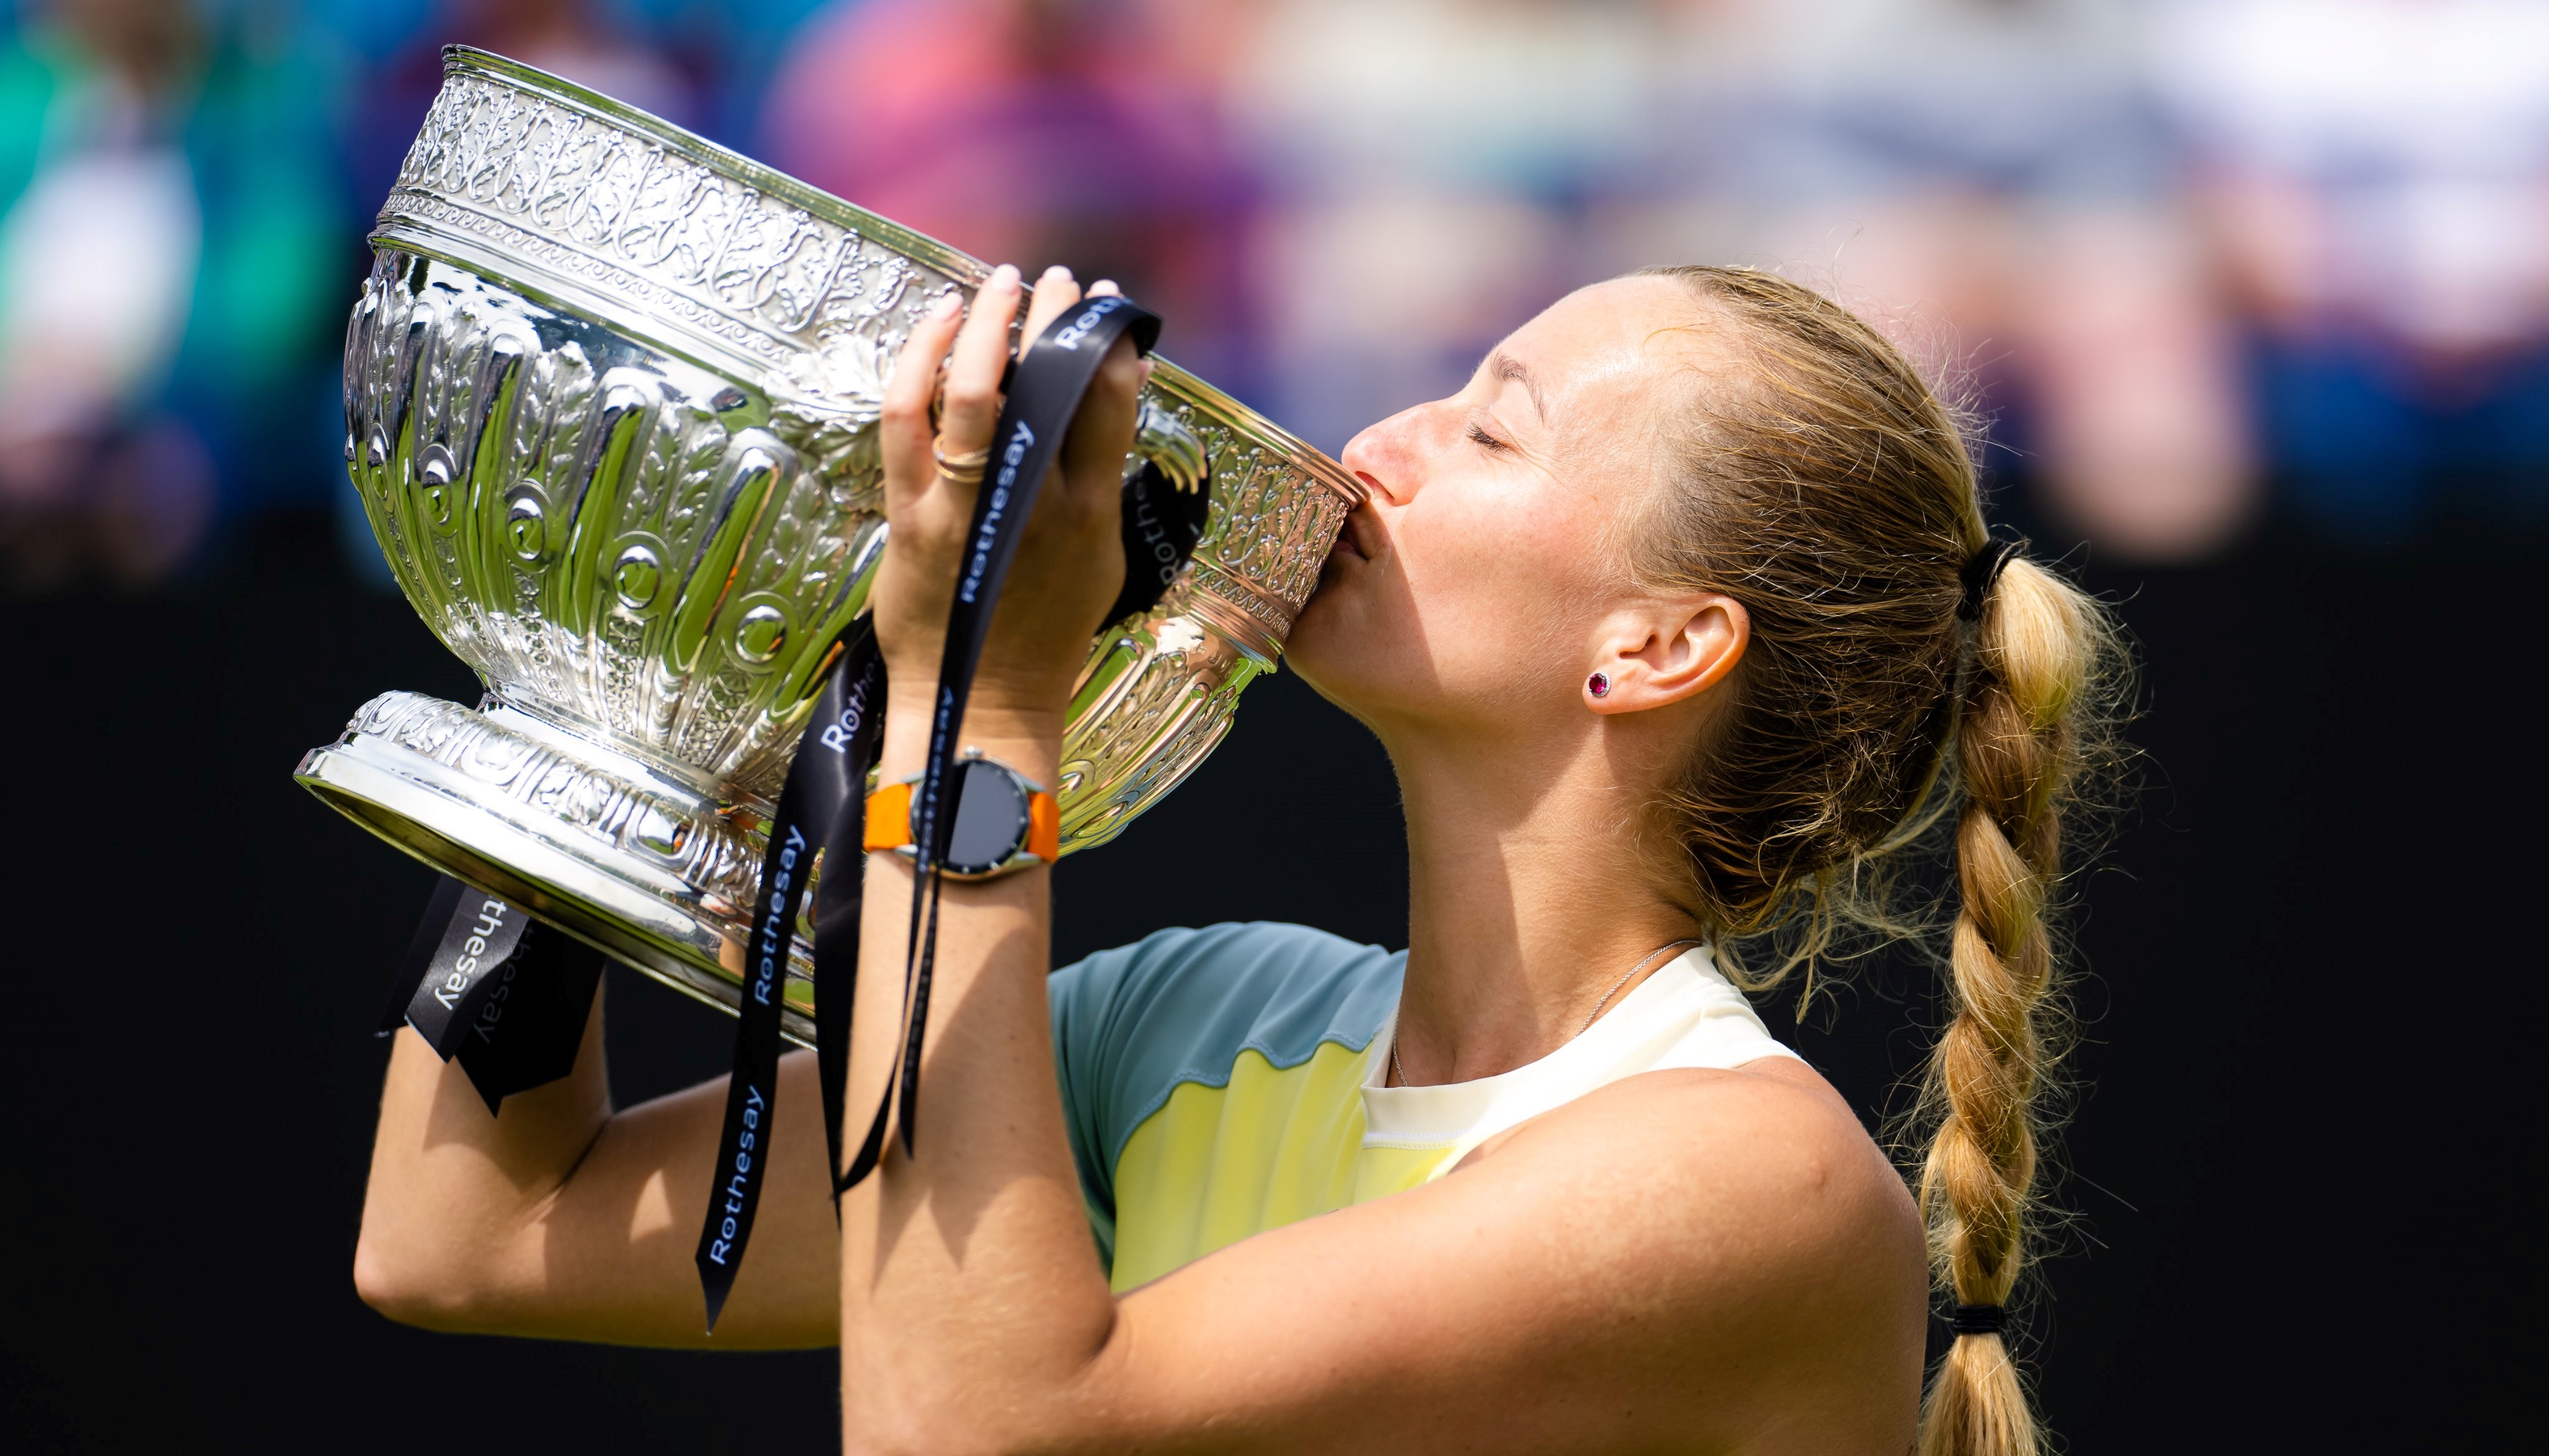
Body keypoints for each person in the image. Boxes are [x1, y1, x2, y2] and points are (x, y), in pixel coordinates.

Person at [354, 261, 2123, 1456]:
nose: (1379, 448)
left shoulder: (1751, 1186)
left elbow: (973, 1426)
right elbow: (474, 1228)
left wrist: (979, 710)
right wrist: (650, 671)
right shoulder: (1206, 1018)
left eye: (1492, 427)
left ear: (1659, 646)